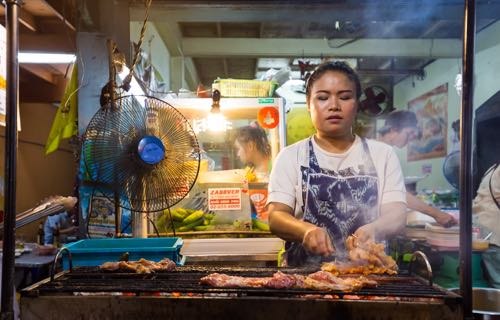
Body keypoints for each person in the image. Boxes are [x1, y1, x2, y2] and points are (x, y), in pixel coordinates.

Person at [267, 61, 407, 266]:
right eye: (323, 97)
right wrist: (306, 231)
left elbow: (396, 214)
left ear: (356, 104)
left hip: (368, 275)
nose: (334, 106)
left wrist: (374, 229)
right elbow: (276, 216)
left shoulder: (382, 154)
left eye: (345, 97)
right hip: (304, 277)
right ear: (308, 104)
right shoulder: (291, 156)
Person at [378, 110, 457, 227]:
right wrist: (437, 214)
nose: (410, 139)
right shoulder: (380, 151)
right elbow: (400, 193)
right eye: (408, 133)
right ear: (393, 129)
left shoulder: (384, 150)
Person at [473, 163, 500, 288]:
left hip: (488, 235)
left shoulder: (492, 168)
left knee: (496, 283)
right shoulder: (494, 169)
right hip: (493, 237)